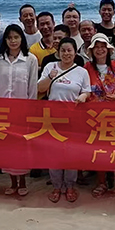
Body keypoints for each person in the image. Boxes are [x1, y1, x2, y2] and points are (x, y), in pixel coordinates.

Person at [38, 38, 91, 203]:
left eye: (69, 50)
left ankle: (69, 186)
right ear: (58, 52)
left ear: (75, 53)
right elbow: (40, 88)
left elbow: (87, 91)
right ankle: (56, 186)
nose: (66, 53)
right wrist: (50, 77)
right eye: (63, 50)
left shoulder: (82, 71)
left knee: (71, 153)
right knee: (53, 153)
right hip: (52, 118)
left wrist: (83, 97)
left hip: (73, 118)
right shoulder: (50, 67)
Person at [0, 24, 39, 197]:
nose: (13, 41)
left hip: (22, 110)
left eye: (16, 37)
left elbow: (32, 86)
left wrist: (30, 108)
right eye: (9, 38)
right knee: (7, 147)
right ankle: (12, 182)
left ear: (22, 39)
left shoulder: (30, 59)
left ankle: (23, 181)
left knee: (21, 146)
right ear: (5, 40)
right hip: (4, 110)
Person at [85, 33, 115, 197]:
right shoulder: (86, 68)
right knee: (99, 149)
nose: (100, 50)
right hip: (95, 116)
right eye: (96, 47)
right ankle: (101, 182)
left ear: (108, 49)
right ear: (92, 50)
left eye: (103, 46)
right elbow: (83, 89)